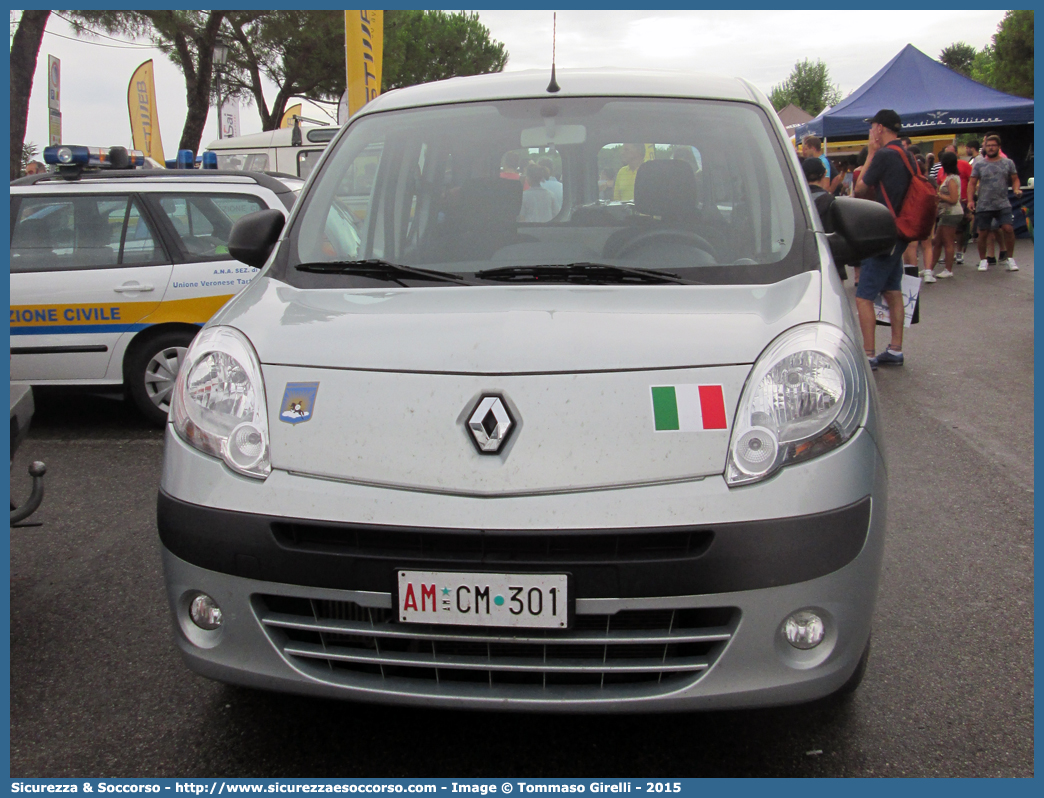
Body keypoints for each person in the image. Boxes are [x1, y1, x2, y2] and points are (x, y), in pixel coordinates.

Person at [853, 109, 914, 371]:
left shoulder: (885, 155)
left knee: (864, 295)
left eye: (872, 127)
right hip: (901, 231)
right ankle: (895, 349)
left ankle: (868, 353)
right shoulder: (907, 154)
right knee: (892, 289)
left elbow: (860, 188)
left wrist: (871, 152)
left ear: (879, 128)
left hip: (883, 233)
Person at [967, 133, 1022, 272]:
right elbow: (972, 183)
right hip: (984, 203)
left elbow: (1015, 178)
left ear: (999, 147)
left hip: (1002, 202)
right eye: (988, 146)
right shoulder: (979, 164)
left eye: (993, 146)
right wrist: (970, 200)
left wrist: (1016, 189)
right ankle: (983, 260)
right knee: (983, 232)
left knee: (1008, 229)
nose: (990, 148)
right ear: (984, 147)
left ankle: (1010, 258)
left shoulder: (1007, 162)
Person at [802, 157, 847, 280]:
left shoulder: (796, 201)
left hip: (802, 262)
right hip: (829, 261)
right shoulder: (831, 202)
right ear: (824, 175)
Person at [927, 151, 964, 281]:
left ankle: (948, 269)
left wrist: (940, 196)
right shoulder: (951, 178)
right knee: (938, 241)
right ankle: (929, 268)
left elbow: (954, 199)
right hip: (946, 213)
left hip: (951, 213)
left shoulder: (951, 179)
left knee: (948, 242)